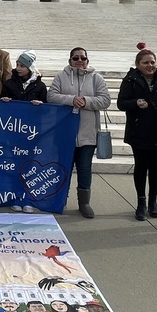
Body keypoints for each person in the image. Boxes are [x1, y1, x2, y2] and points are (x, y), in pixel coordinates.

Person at [116, 43, 157, 221]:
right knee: (140, 167)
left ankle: (153, 201)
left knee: (155, 168)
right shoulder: (130, 79)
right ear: (138, 64)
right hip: (139, 130)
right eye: (146, 62)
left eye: (152, 62)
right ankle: (141, 202)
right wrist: (136, 103)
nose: (150, 66)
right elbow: (121, 103)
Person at [48, 47, 111, 218]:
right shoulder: (61, 77)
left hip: (87, 132)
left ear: (87, 60)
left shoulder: (96, 78)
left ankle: (84, 202)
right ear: (70, 61)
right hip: (65, 132)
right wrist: (70, 100)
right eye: (75, 58)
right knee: (63, 167)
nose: (79, 61)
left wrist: (86, 101)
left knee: (84, 168)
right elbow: (51, 96)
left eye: (82, 58)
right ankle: (60, 199)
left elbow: (105, 100)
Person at [1, 50, 46, 213]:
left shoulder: (39, 86)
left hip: (31, 132)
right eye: (17, 65)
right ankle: (15, 197)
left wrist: (40, 105)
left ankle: (28, 199)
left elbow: (46, 108)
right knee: (14, 166)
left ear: (30, 67)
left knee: (29, 166)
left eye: (22, 66)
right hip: (13, 131)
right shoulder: (9, 84)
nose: (18, 68)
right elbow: (1, 106)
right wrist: (5, 102)